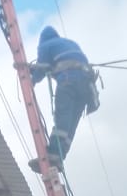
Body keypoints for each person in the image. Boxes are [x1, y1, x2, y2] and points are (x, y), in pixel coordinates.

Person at [28, 25, 100, 172]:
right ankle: (59, 157)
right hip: (86, 86)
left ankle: (54, 154)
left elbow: (42, 68)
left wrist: (31, 80)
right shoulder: (68, 43)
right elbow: (57, 63)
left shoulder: (45, 45)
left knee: (63, 118)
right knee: (71, 123)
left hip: (69, 81)